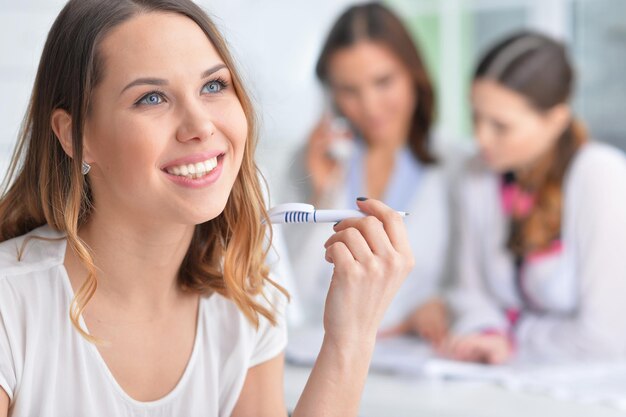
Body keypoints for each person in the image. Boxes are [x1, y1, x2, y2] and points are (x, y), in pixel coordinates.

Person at [0, 1, 414, 416]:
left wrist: (352, 336)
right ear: (75, 135)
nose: (200, 126)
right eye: (152, 98)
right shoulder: (10, 306)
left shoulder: (244, 292)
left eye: (213, 86)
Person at [441, 31, 626, 364]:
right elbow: (469, 293)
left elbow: (606, 337)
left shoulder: (601, 175)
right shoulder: (476, 175)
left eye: (500, 125)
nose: (481, 138)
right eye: (476, 117)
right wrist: (488, 331)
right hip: (508, 376)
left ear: (556, 120)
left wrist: (509, 332)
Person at [286, 2, 449, 344]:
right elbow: (288, 294)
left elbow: (469, 292)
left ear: (413, 76)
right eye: (349, 90)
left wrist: (435, 310)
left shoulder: (454, 166)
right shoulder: (313, 161)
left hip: (412, 360)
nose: (370, 106)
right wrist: (321, 193)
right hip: (316, 353)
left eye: (383, 81)